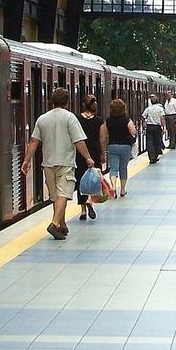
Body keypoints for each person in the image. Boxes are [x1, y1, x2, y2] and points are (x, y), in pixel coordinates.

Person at [21, 87, 96, 240]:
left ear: (52, 101)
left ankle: (62, 225)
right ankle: (54, 224)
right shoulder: (70, 118)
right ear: (67, 102)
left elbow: (34, 141)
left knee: (56, 196)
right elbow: (78, 141)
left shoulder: (42, 119)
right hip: (66, 162)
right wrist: (88, 158)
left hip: (48, 163)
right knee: (64, 194)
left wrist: (27, 160)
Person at [75, 95, 107, 221]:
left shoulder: (77, 119)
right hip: (94, 151)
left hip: (80, 152)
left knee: (81, 179)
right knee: (93, 179)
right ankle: (90, 200)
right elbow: (102, 139)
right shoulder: (99, 121)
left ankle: (83, 210)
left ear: (84, 105)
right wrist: (103, 155)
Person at [105, 98, 136, 196]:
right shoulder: (127, 120)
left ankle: (113, 187)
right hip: (125, 146)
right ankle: (122, 190)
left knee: (113, 168)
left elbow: (105, 133)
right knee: (123, 168)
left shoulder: (108, 120)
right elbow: (133, 132)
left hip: (112, 146)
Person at [142, 93, 166, 164]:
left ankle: (151, 158)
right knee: (156, 142)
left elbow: (143, 116)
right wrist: (164, 128)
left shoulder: (148, 109)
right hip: (157, 127)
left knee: (150, 143)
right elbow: (162, 118)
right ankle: (155, 157)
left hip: (150, 127)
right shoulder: (160, 109)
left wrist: (144, 124)